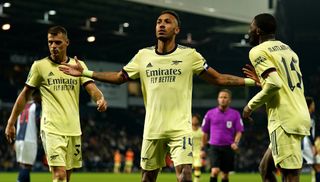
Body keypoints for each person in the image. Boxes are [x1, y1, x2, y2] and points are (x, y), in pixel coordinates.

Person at [59, 10, 257, 182]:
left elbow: (219, 79)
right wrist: (85, 72)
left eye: (167, 22)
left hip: (180, 127)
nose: (161, 25)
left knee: (186, 174)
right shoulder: (143, 56)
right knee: (147, 178)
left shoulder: (190, 55)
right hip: (153, 127)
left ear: (177, 30)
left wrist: (251, 81)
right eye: (159, 22)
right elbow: (120, 77)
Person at [5, 25, 107, 182]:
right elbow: (25, 95)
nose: (53, 46)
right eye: (50, 42)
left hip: (74, 129)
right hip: (51, 128)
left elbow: (92, 89)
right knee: (59, 176)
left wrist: (100, 99)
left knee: (67, 176)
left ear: (67, 42)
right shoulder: (39, 66)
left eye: (58, 42)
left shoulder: (78, 66)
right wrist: (11, 122)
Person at [242, 13, 310, 182]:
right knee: (265, 168)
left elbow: (275, 84)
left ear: (258, 30)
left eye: (251, 27)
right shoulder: (288, 50)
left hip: (284, 120)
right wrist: (263, 81)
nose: (249, 31)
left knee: (290, 175)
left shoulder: (258, 51)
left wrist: (250, 106)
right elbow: (281, 81)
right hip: (298, 112)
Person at [202, 89, 244, 182]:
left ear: (229, 100)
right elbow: (204, 132)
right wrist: (204, 148)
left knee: (225, 175)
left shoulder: (235, 114)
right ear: (217, 99)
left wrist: (235, 142)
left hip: (228, 147)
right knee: (215, 171)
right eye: (221, 97)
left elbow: (239, 131)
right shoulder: (210, 113)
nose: (223, 99)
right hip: (214, 147)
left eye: (225, 97)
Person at [14, 90, 41, 182]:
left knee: (23, 165)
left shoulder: (21, 106)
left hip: (19, 139)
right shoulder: (35, 106)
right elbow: (39, 122)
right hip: (29, 139)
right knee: (27, 166)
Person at [302, 97, 320, 182]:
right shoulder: (306, 115)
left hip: (307, 143)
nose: (314, 106)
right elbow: (308, 131)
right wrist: (313, 146)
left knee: (317, 167)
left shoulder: (310, 115)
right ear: (309, 105)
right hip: (307, 144)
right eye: (313, 104)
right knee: (318, 167)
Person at [192, 114, 204, 182]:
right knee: (187, 168)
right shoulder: (188, 130)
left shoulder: (201, 130)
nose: (194, 120)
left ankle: (196, 180)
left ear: (198, 121)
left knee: (197, 167)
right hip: (189, 152)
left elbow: (204, 141)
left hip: (198, 152)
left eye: (195, 119)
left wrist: (203, 150)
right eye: (193, 119)